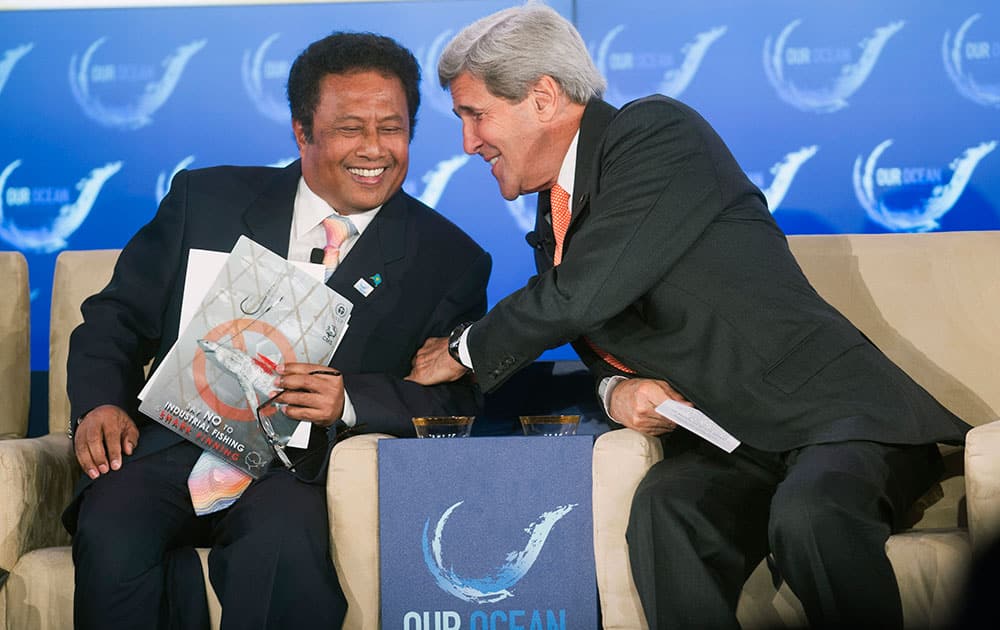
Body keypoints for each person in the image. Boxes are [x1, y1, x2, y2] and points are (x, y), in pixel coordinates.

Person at [406, 5, 970, 628]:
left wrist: (464, 350)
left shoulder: (654, 134)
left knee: (812, 517)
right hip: (731, 441)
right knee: (663, 514)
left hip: (836, 419)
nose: (466, 143)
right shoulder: (558, 208)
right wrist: (617, 388)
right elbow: (597, 325)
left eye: (474, 114)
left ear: (542, 97)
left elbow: (580, 294)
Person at [64, 32, 490, 629]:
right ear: (302, 132)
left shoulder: (448, 258)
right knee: (111, 523)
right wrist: (100, 405)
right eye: (349, 128)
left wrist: (351, 401)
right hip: (173, 448)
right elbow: (115, 318)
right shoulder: (204, 199)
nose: (374, 149)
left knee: (283, 546)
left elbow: (454, 398)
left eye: (391, 128)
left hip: (300, 471)